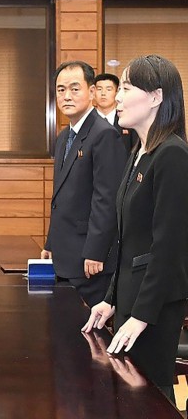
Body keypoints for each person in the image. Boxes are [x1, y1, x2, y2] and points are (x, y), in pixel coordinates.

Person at [82, 54, 188, 401]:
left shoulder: (173, 154)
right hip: (131, 299)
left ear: (156, 97)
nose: (117, 97)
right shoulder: (138, 152)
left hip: (154, 308)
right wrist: (110, 300)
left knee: (151, 400)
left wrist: (141, 316)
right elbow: (130, 243)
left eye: (126, 88)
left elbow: (169, 247)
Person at [42, 61, 127, 307]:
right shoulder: (64, 137)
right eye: (61, 90)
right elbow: (61, 197)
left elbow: (107, 199)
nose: (66, 96)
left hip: (90, 261)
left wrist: (96, 252)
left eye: (74, 88)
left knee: (88, 329)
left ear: (91, 92)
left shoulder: (104, 134)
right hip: (65, 255)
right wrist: (51, 243)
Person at [94, 72, 136, 152]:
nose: (103, 93)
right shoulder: (86, 121)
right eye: (99, 89)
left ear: (117, 93)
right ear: (93, 93)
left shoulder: (129, 121)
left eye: (108, 89)